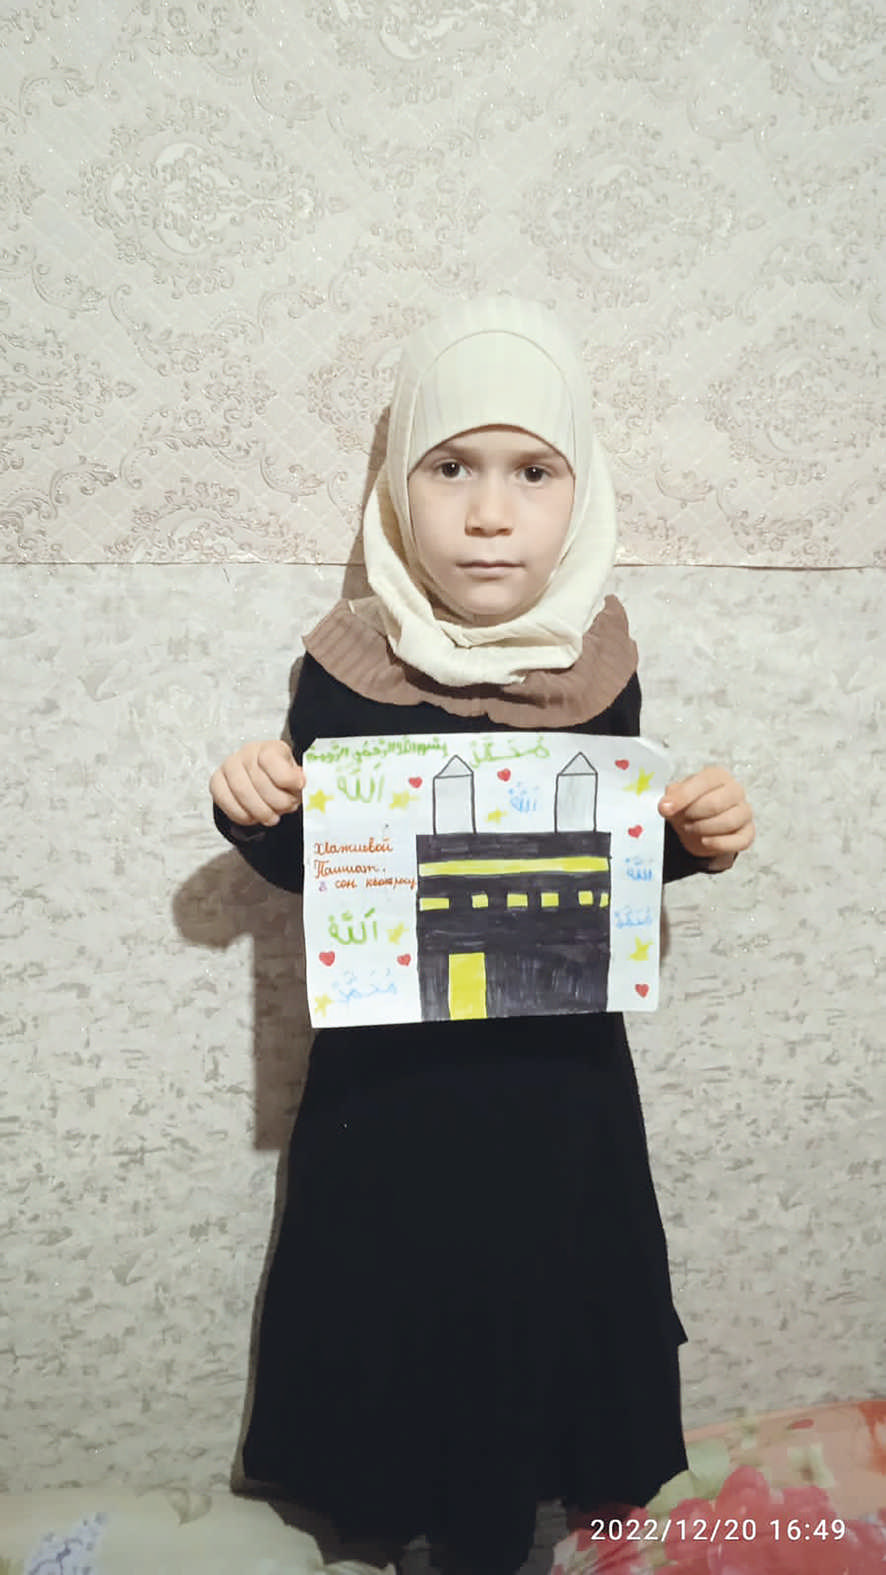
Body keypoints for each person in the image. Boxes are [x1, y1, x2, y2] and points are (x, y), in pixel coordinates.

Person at [210, 297, 755, 1575]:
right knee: (399, 1356)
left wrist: (690, 835)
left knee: (540, 1351)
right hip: (390, 1106)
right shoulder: (345, 665)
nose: (490, 514)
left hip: (557, 1100)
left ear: (584, 491)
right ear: (397, 490)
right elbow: (327, 870)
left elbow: (596, 870)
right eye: (450, 468)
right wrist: (255, 802)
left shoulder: (601, 664)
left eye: (533, 472)